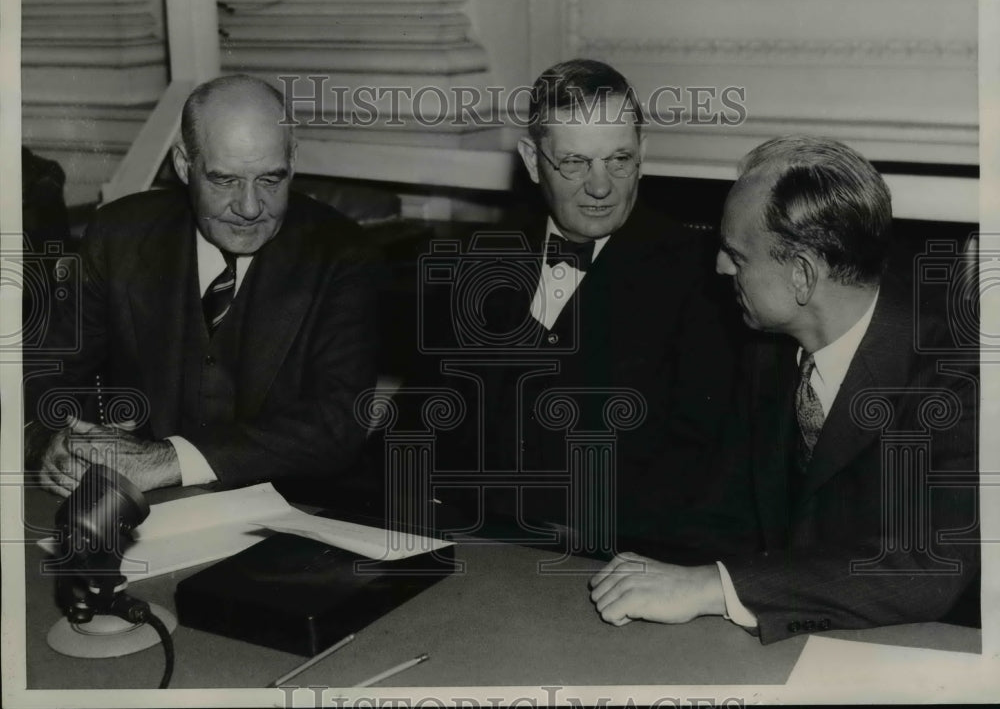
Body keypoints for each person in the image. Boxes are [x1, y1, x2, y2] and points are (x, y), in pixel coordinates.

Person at [589, 135, 979, 642]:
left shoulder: (959, 372)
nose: (720, 267)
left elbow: (929, 566)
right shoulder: (771, 345)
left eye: (736, 254)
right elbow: (723, 506)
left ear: (801, 276)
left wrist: (716, 587)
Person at [428, 59, 741, 557]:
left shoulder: (706, 278)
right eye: (574, 163)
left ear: (643, 152)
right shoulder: (479, 258)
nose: (601, 187)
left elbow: (703, 472)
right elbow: (429, 422)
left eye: (618, 159)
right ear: (532, 161)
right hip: (469, 546)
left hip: (614, 558)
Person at [24, 74, 379, 496]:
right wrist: (43, 441)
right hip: (140, 509)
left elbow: (337, 423)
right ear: (183, 165)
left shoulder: (342, 254)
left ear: (293, 160)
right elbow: (45, 372)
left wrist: (171, 460)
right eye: (224, 180)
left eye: (271, 179)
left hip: (292, 515)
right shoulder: (118, 236)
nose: (250, 208)